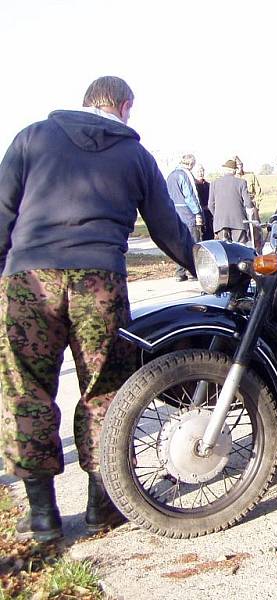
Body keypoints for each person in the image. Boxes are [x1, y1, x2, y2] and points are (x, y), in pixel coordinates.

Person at [0, 75, 196, 542]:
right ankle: (99, 508)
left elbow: (2, 214)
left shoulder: (31, 138)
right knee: (105, 391)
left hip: (28, 280)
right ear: (125, 106)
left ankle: (43, 516)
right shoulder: (136, 156)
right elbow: (169, 231)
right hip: (100, 281)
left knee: (25, 390)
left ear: (86, 101)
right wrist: (209, 266)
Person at [167, 154, 204, 281]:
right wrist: (197, 213)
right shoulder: (185, 174)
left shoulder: (171, 175)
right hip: (186, 211)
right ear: (191, 164)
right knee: (193, 241)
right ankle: (193, 271)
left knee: (180, 242)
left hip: (174, 211)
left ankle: (180, 272)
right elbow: (190, 195)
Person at [209, 158, 254, 243]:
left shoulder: (214, 183)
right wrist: (250, 209)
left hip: (220, 222)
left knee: (224, 250)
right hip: (238, 221)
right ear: (234, 170)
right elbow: (248, 202)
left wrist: (217, 215)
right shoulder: (241, 182)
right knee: (239, 249)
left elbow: (210, 205)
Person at [194, 164, 214, 240]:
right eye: (198, 171)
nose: (200, 173)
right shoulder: (194, 185)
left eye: (202, 171)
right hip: (199, 214)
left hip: (209, 214)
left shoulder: (209, 185)